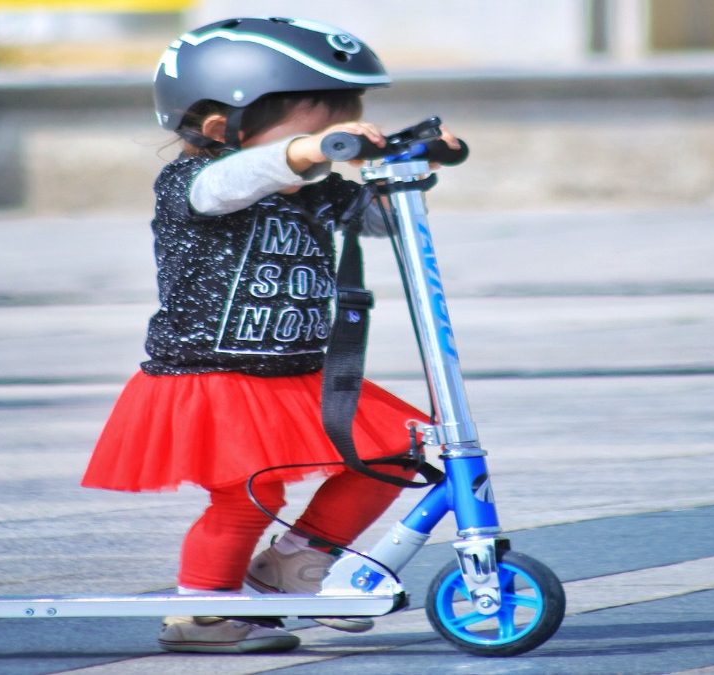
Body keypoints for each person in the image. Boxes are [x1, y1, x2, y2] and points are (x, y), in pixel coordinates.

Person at [81, 17, 459, 654]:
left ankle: (296, 561)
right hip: (215, 375)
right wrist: (302, 156)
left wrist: (410, 161)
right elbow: (231, 184)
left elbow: (378, 221)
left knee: (394, 452)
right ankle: (201, 615)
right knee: (247, 496)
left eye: (342, 129)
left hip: (298, 372)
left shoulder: (309, 191)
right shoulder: (193, 184)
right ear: (218, 127)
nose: (328, 145)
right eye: (316, 131)